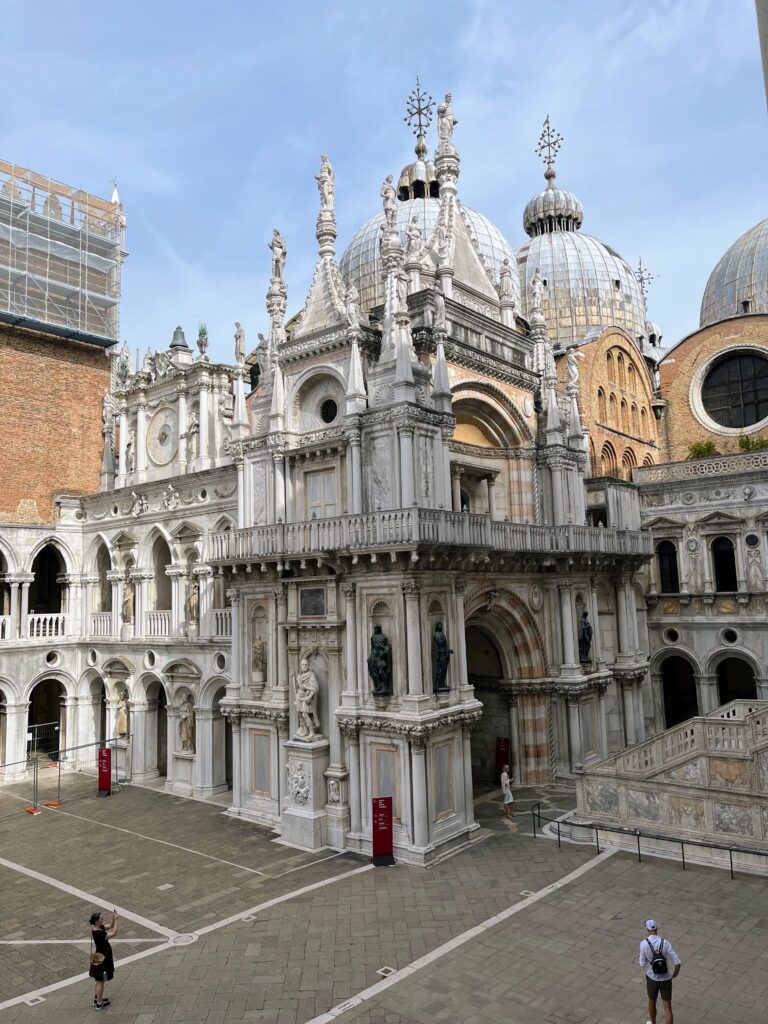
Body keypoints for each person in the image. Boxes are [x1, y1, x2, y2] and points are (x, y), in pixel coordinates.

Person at [639, 918, 681, 1024]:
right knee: (667, 1007)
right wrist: (674, 974)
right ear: (656, 928)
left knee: (652, 1001)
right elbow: (677, 962)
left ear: (647, 929)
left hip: (652, 978)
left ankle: (653, 1022)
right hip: (666, 978)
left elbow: (642, 963)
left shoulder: (644, 944)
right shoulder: (665, 943)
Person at [89, 908, 118, 1009]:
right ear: (96, 921)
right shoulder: (99, 934)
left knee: (98, 980)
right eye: (101, 918)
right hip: (103, 957)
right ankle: (99, 1003)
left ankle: (97, 999)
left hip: (98, 955)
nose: (102, 919)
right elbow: (114, 933)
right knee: (101, 980)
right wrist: (117, 921)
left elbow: (110, 926)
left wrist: (113, 918)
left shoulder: (96, 928)